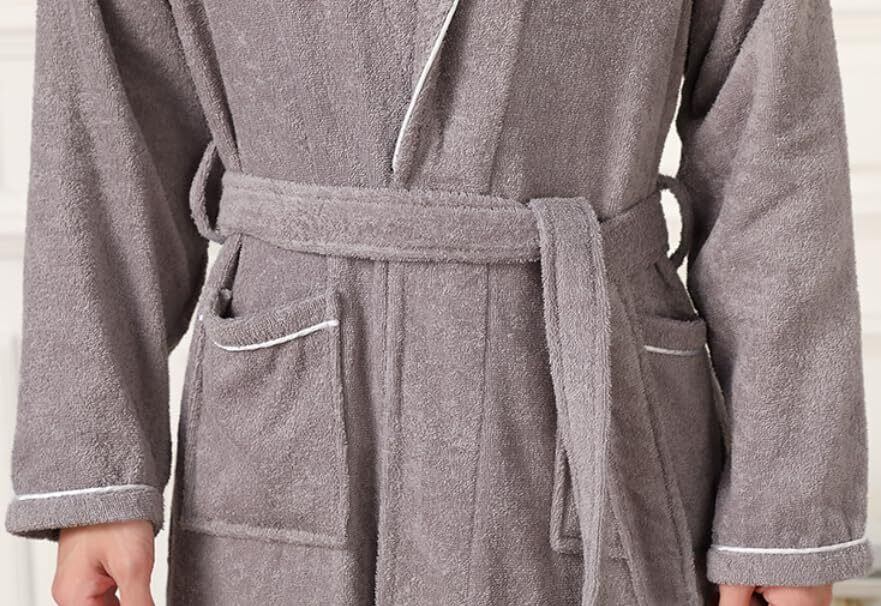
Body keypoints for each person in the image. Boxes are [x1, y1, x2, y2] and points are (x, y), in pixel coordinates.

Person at [5, 0, 871, 604]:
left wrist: (784, 515)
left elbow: (774, 151)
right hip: (291, 415)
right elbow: (105, 122)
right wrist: (97, 481)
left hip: (583, 397)